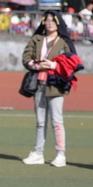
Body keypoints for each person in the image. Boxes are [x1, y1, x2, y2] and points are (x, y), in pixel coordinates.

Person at [21, 10, 79, 168]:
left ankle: (61, 154)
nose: (49, 23)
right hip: (39, 84)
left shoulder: (63, 42)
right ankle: (38, 153)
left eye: (53, 21)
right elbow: (26, 57)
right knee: (40, 122)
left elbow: (72, 62)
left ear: (58, 23)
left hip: (57, 85)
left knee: (57, 121)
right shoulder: (37, 39)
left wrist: (53, 65)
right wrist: (35, 65)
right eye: (47, 20)